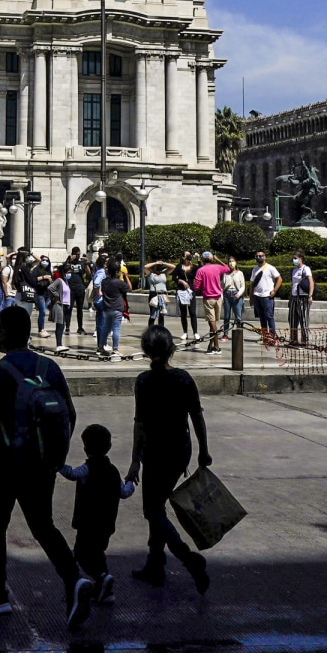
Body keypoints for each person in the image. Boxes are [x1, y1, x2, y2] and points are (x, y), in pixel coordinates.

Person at [0, 306, 94, 628]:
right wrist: (54, 457)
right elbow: (71, 414)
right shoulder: (48, 366)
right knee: (43, 526)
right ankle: (73, 578)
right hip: (40, 464)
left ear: (7, 333)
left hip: (5, 462)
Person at [125, 325, 212, 593]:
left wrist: (135, 460)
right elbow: (197, 416)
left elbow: (140, 424)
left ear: (145, 351)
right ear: (172, 349)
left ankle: (187, 557)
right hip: (179, 450)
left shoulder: (143, 381)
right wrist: (203, 450)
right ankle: (155, 563)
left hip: (155, 450)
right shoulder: (183, 379)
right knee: (157, 506)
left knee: (153, 509)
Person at [59, 423, 133, 607]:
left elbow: (71, 473)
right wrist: (131, 480)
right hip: (106, 524)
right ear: (108, 447)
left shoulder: (87, 469)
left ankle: (101, 577)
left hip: (87, 522)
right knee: (98, 553)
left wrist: (57, 464)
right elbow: (124, 492)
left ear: (85, 448)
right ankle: (105, 589)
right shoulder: (113, 471)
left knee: (82, 554)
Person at [194, 251, 230, 353]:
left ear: (203, 259)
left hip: (208, 299)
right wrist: (218, 259)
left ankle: (217, 347)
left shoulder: (200, 270)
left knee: (212, 323)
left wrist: (202, 287)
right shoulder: (217, 267)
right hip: (218, 298)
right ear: (211, 259)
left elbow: (196, 286)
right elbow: (227, 268)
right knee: (212, 324)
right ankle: (211, 345)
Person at [98, 259, 127, 356]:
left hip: (107, 309)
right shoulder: (119, 283)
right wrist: (126, 276)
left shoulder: (104, 282)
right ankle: (115, 349)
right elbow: (129, 288)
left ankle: (101, 347)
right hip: (117, 309)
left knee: (106, 329)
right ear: (117, 271)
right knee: (116, 329)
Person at [250, 251, 281, 342]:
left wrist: (274, 290)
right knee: (262, 317)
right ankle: (265, 336)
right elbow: (252, 284)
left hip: (267, 296)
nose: (259, 257)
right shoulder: (254, 269)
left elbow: (279, 278)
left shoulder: (270, 268)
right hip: (257, 296)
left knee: (269, 316)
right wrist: (251, 297)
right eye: (257, 256)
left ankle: (272, 336)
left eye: (261, 256)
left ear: (265, 257)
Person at [287, 252, 315, 345]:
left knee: (303, 319)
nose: (294, 260)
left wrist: (310, 295)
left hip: (303, 297)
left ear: (301, 259)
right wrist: (290, 298)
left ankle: (304, 339)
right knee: (292, 319)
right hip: (294, 297)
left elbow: (311, 282)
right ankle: (293, 339)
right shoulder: (294, 270)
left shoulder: (306, 269)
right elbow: (293, 285)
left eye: (295, 258)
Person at [63, 249, 92, 335]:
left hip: (80, 288)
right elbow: (63, 270)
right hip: (70, 288)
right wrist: (69, 261)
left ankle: (80, 327)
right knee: (69, 308)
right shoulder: (68, 262)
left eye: (79, 254)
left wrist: (86, 263)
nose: (77, 256)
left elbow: (89, 273)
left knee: (80, 309)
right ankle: (67, 327)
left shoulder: (82, 263)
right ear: (72, 254)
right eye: (76, 254)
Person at [173, 253, 198, 345]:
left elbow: (200, 270)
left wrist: (198, 259)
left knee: (192, 312)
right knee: (183, 313)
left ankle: (195, 332)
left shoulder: (193, 267)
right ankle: (185, 332)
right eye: (186, 255)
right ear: (183, 257)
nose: (188, 256)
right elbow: (173, 277)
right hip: (181, 291)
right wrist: (181, 281)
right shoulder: (179, 267)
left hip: (190, 292)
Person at [221, 256, 248, 339]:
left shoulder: (240, 273)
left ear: (236, 262)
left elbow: (243, 286)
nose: (231, 262)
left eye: (232, 261)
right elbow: (222, 286)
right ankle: (225, 333)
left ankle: (238, 333)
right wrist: (222, 296)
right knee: (226, 316)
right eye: (229, 261)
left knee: (238, 316)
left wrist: (239, 294)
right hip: (227, 294)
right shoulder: (225, 273)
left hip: (236, 295)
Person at [142, 260, 171, 329]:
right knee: (153, 314)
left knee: (162, 314)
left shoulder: (164, 273)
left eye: (160, 266)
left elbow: (173, 267)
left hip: (163, 295)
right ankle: (150, 330)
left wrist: (164, 263)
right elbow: (145, 267)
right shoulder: (151, 274)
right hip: (154, 294)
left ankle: (161, 330)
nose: (159, 267)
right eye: (158, 266)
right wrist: (155, 263)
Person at [48, 269, 71, 353]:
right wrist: (56, 294)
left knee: (62, 324)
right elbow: (50, 287)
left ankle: (60, 344)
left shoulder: (66, 282)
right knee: (60, 325)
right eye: (68, 272)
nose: (69, 274)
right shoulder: (59, 280)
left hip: (64, 305)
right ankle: (58, 345)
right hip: (58, 304)